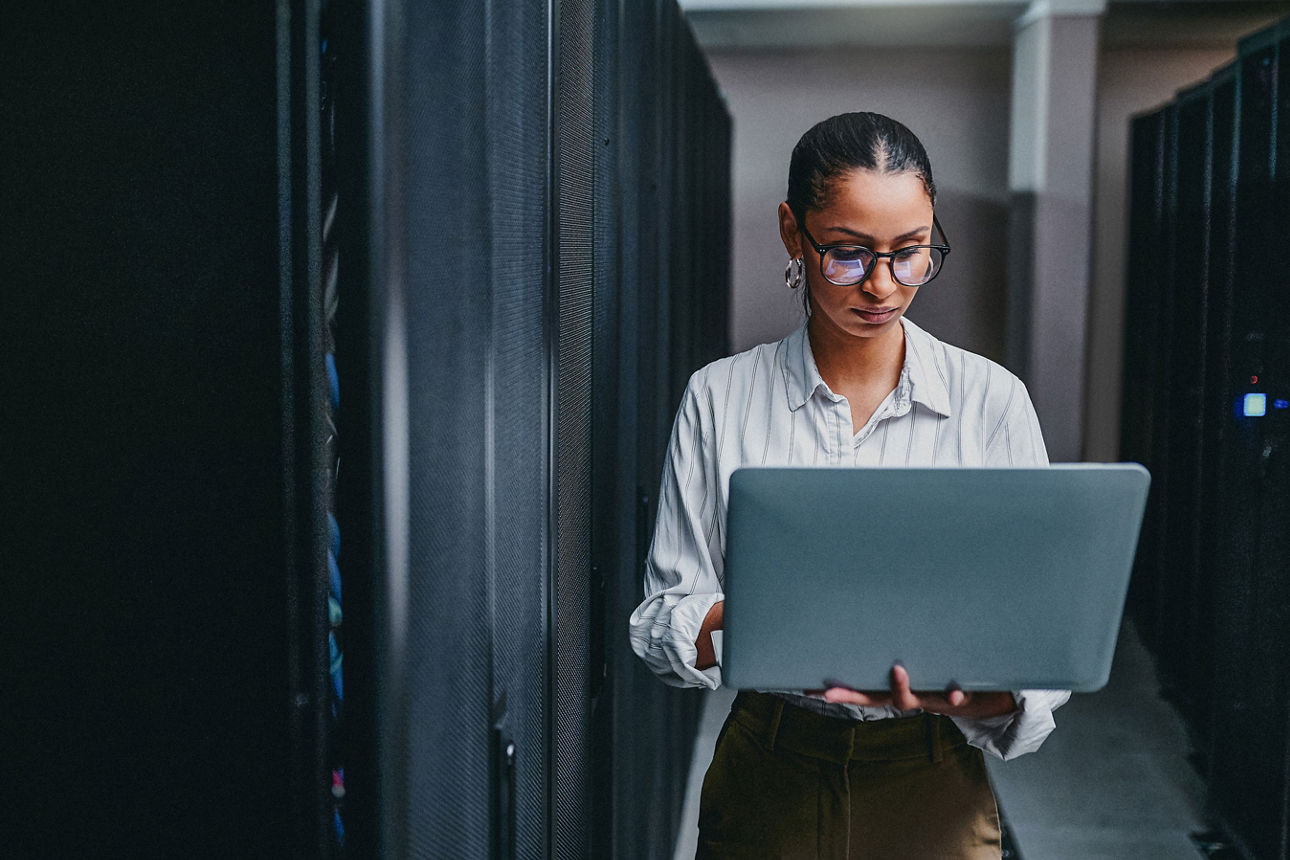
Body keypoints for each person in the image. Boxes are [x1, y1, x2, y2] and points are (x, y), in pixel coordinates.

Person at [628, 112, 1071, 859]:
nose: (881, 285)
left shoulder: (992, 401)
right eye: (847, 254)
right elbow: (661, 619)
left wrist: (971, 693)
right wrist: (770, 613)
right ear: (792, 232)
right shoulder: (720, 397)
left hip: (933, 770)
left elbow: (1041, 638)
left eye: (910, 255)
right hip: (770, 765)